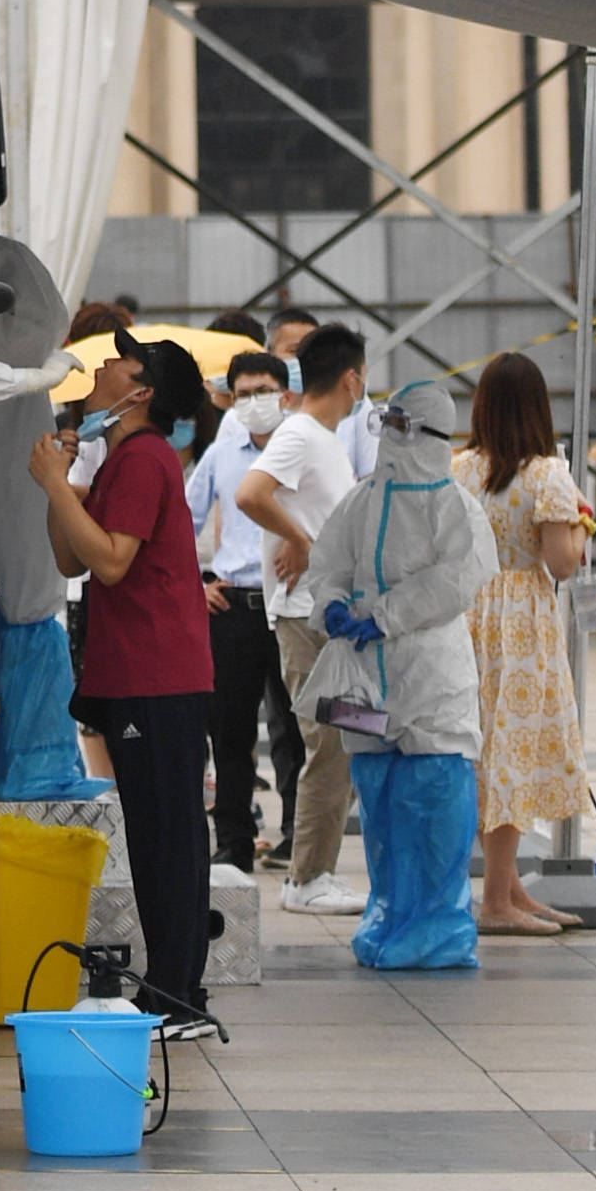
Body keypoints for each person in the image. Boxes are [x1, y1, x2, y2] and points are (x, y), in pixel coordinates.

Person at [25, 331, 218, 1037]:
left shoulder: (142, 457)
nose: (102, 363)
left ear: (139, 392)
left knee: (169, 837)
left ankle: (178, 995)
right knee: (156, 834)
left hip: (157, 675)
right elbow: (68, 558)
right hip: (139, 673)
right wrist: (62, 482)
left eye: (119, 360)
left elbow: (109, 560)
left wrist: (57, 485)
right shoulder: (119, 460)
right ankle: (172, 987)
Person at [305, 381, 493, 971]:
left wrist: (385, 615)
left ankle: (438, 929)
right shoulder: (363, 500)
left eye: (400, 425)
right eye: (386, 423)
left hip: (430, 677)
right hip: (367, 674)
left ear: (427, 434)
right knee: (382, 804)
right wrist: (333, 604)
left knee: (433, 806)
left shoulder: (455, 507)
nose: (389, 436)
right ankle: (389, 914)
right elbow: (328, 561)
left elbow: (453, 582)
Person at [453, 352, 592, 936]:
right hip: (523, 620)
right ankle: (496, 902)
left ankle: (509, 889)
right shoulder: (547, 475)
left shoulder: (459, 468)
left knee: (484, 748)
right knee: (511, 751)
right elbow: (561, 563)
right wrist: (580, 526)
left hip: (468, 612)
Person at [240, 321, 370, 917]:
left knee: (347, 739)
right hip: (304, 616)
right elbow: (250, 493)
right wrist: (301, 540)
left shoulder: (324, 439)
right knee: (330, 744)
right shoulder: (299, 434)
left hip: (326, 618)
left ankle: (315, 870)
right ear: (352, 379)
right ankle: (308, 876)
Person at [189, 346, 297, 873]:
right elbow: (181, 517)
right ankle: (234, 840)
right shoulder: (222, 452)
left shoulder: (303, 446)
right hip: (234, 604)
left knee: (295, 727)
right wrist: (197, 582)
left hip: (293, 599)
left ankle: (299, 836)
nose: (255, 402)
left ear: (286, 395)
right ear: (230, 399)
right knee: (229, 731)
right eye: (244, 394)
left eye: (264, 392)